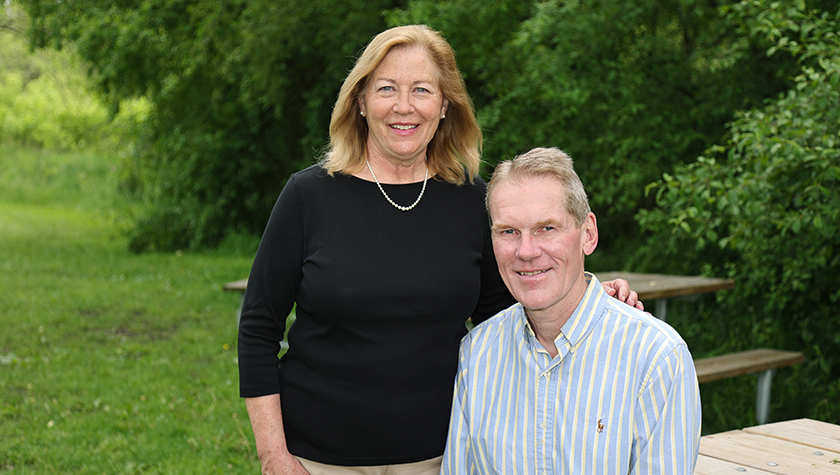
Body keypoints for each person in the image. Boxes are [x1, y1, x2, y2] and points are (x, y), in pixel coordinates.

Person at [238, 26, 642, 475]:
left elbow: (511, 313)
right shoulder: (308, 196)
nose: (404, 106)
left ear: (445, 105)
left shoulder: (472, 200)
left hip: (443, 455)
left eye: (422, 90)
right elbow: (258, 327)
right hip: (316, 458)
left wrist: (590, 300)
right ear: (360, 101)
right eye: (386, 88)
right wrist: (275, 456)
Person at [441, 147, 701, 474]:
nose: (526, 251)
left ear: (588, 234)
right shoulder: (476, 355)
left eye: (546, 228)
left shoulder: (655, 359)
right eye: (508, 231)